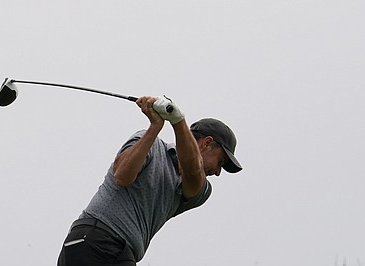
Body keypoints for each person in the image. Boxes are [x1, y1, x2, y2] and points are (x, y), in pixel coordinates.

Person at [57, 95, 242, 265]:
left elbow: (192, 171)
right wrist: (155, 128)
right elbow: (122, 175)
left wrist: (178, 121)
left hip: (107, 250)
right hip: (97, 241)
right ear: (207, 143)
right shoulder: (150, 144)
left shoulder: (202, 189)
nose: (218, 172)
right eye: (221, 161)